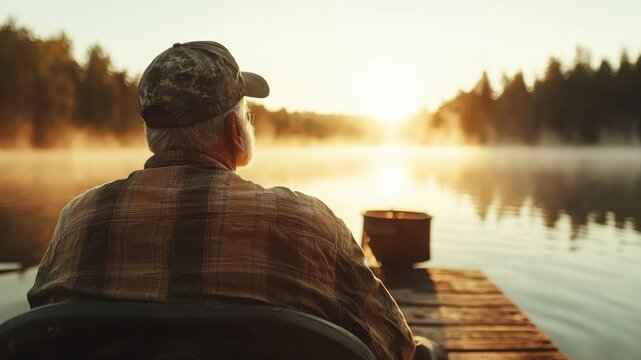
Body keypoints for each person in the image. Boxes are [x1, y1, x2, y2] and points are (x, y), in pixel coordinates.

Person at [27, 41, 443, 360]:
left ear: (150, 129)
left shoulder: (78, 222)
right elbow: (396, 348)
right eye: (247, 113)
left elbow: (37, 337)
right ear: (233, 129)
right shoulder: (307, 224)